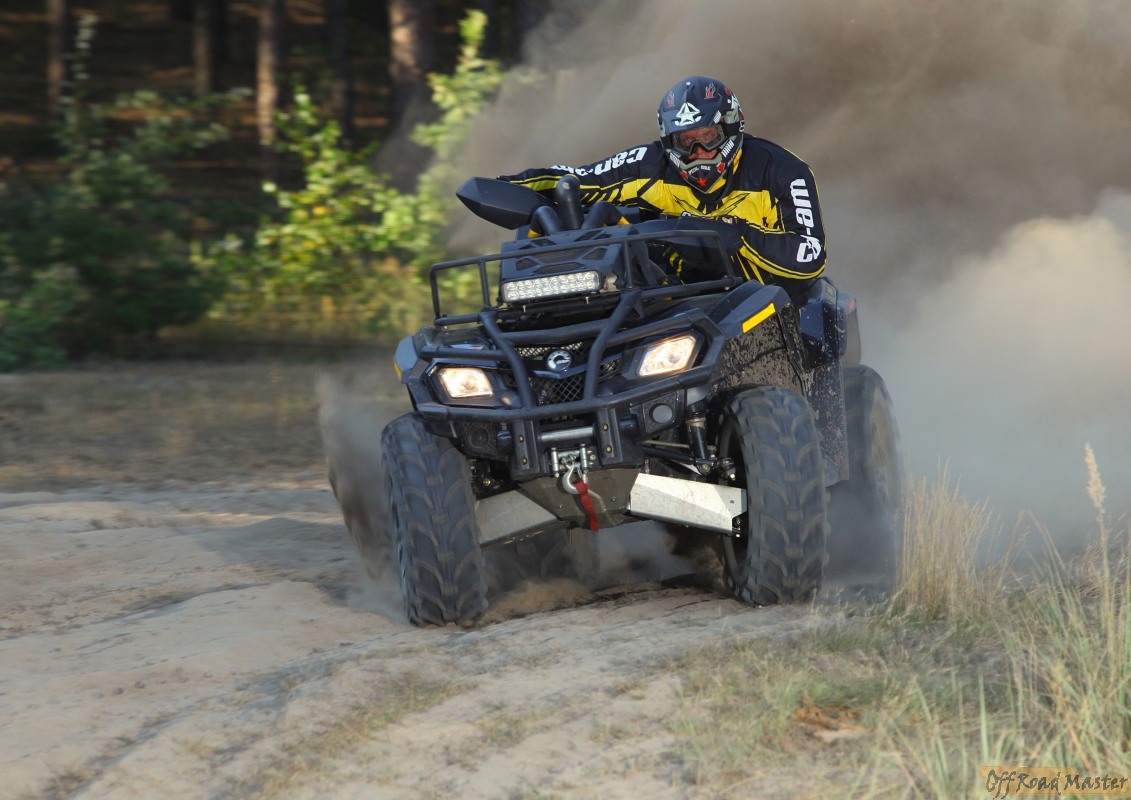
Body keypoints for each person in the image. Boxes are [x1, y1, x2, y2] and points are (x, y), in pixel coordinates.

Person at [499, 76, 827, 300]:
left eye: (708, 136)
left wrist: (735, 233)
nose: (698, 151)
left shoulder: (785, 171)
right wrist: (505, 187)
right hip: (681, 299)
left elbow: (811, 255)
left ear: (730, 126)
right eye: (686, 141)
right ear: (669, 141)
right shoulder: (650, 163)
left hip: (774, 300)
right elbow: (575, 178)